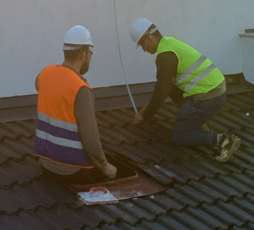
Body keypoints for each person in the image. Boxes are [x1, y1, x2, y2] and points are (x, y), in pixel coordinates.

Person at [129, 18, 241, 162]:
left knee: (179, 136)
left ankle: (222, 140)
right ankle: (202, 130)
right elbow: (172, 88)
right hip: (216, 90)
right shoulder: (170, 43)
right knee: (188, 123)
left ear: (149, 38)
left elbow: (162, 89)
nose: (144, 49)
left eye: (142, 44)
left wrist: (146, 115)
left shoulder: (165, 56)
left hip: (207, 96)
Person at [34, 25, 118, 184]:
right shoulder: (81, 89)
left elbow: (40, 84)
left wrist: (70, 78)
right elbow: (91, 139)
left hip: (45, 164)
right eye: (90, 54)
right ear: (83, 55)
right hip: (72, 170)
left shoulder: (45, 74)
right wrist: (106, 168)